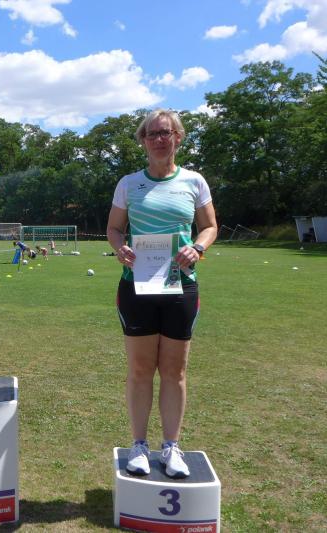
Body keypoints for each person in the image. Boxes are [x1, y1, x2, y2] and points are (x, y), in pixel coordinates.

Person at [106, 109, 217, 478]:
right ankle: (139, 445)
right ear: (143, 141)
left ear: (178, 137)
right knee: (140, 370)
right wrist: (120, 247)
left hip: (180, 286)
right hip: (136, 286)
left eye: (165, 132)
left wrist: (197, 247)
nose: (158, 139)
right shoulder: (128, 184)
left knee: (174, 370)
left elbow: (210, 226)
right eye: (151, 133)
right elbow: (114, 229)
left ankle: (171, 446)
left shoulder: (194, 181)